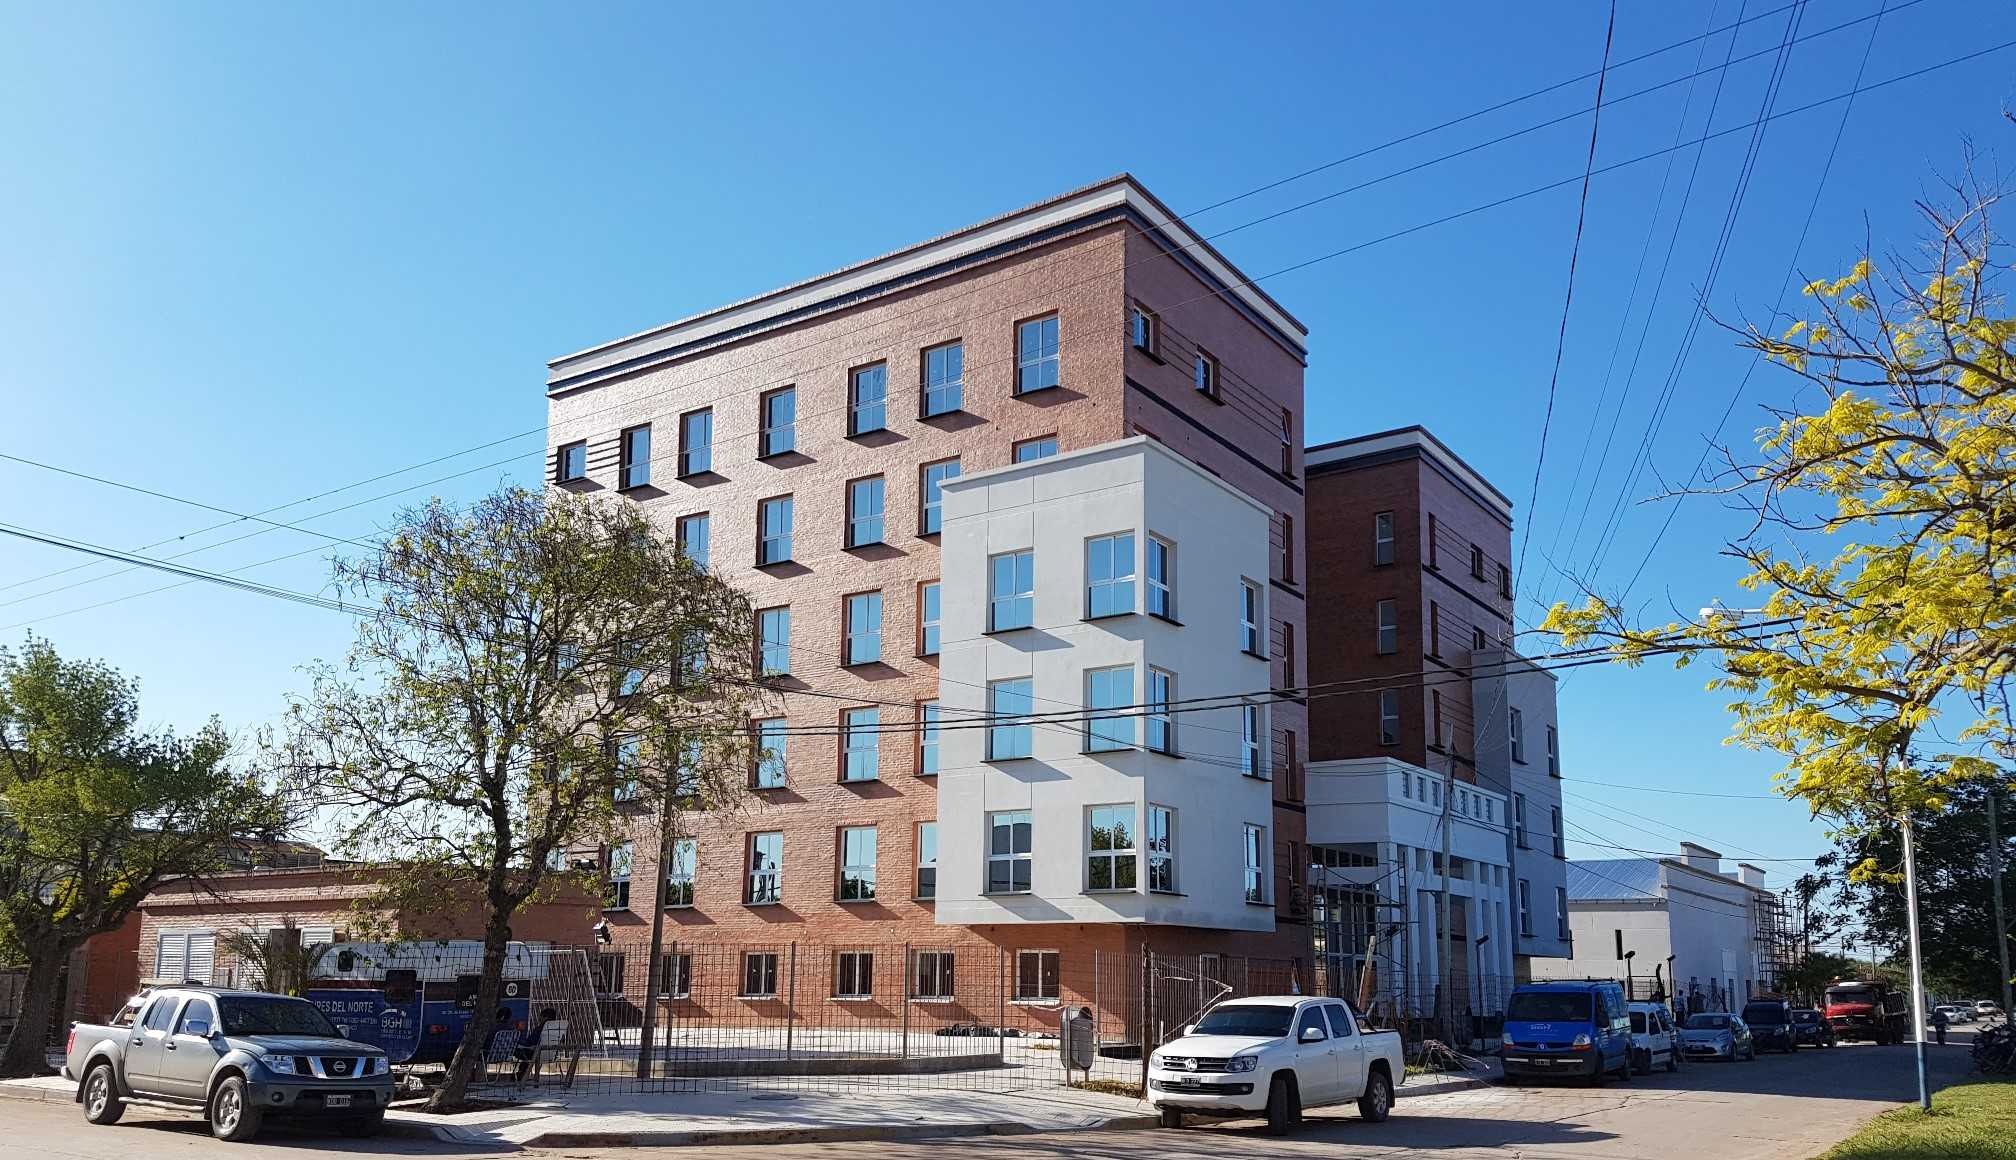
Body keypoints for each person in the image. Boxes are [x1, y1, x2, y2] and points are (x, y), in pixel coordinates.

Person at [515, 1007, 559, 1080]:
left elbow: (530, 1042)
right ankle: (521, 1073)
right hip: (551, 1054)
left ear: (545, 1017)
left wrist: (519, 1036)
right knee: (528, 1052)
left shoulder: (539, 1029)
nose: (539, 1019)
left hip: (535, 1053)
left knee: (523, 1051)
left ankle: (521, 1073)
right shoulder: (557, 1030)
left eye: (540, 1017)